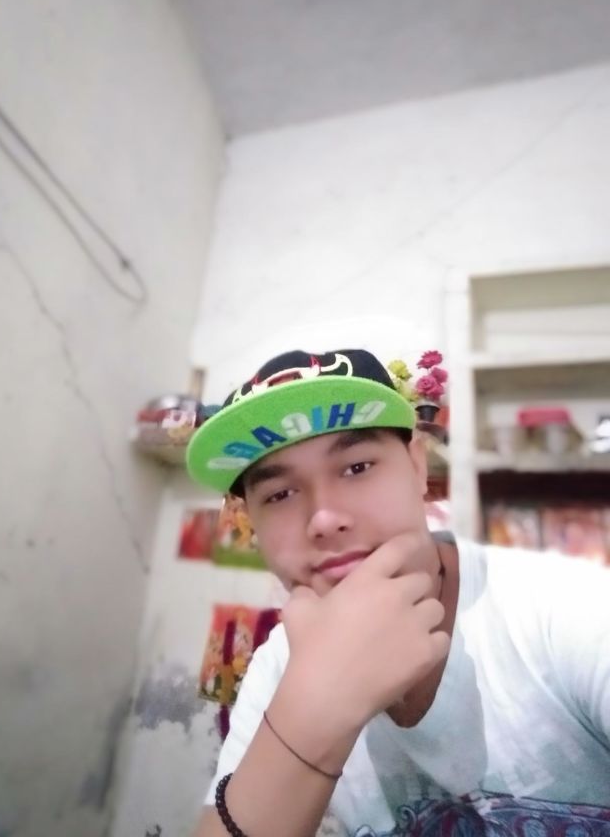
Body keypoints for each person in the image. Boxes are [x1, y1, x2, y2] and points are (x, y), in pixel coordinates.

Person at [186, 348, 610, 837]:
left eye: (357, 467)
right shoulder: (276, 666)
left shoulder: (568, 608)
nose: (324, 518)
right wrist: (311, 716)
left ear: (416, 467)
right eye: (279, 494)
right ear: (252, 525)